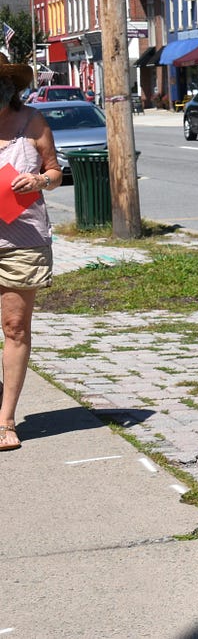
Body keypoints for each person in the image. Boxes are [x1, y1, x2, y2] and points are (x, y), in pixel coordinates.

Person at [0, 63, 64, 452]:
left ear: (7, 86)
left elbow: (55, 172)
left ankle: (6, 419)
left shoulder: (33, 122)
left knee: (15, 327)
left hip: (22, 239)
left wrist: (40, 180)